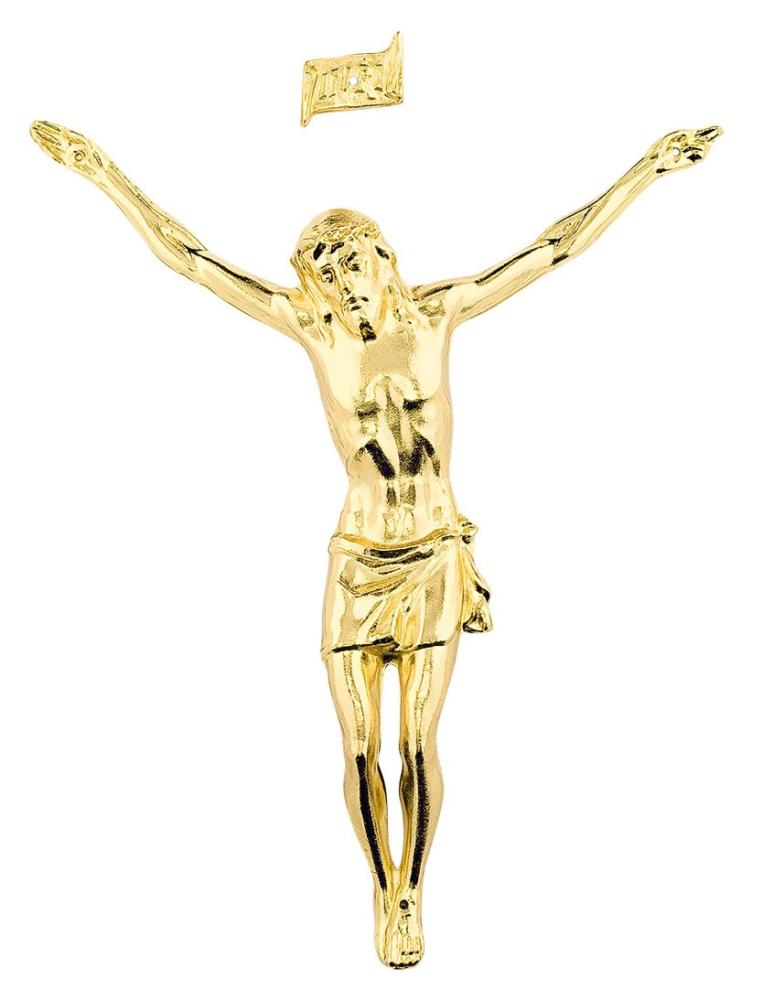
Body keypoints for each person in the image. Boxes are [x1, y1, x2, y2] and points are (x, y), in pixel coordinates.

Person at [30, 120, 721, 967]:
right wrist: (103, 173)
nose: (340, 287)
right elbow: (192, 260)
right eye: (323, 275)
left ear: (383, 258)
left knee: (415, 741)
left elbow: (554, 248)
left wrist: (645, 169)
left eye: (350, 266)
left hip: (431, 553)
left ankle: (410, 892)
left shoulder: (437, 312)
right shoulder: (311, 330)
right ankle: (378, 883)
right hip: (357, 559)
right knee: (357, 743)